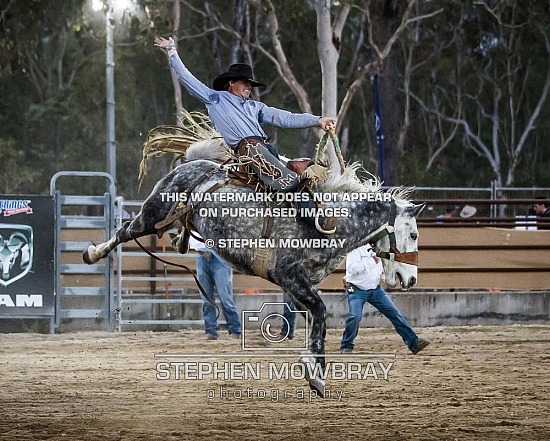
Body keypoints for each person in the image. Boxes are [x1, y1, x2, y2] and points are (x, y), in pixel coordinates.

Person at [153, 36, 336, 195]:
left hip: (266, 150)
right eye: (245, 83)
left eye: (250, 84)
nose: (249, 87)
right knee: (289, 183)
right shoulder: (215, 99)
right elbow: (187, 79)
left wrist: (317, 120)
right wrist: (172, 52)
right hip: (250, 151)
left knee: (307, 169)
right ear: (231, 82)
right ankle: (317, 221)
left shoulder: (256, 107)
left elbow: (286, 117)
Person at [340, 244, 430, 354]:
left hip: (375, 288)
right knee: (355, 316)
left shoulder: (378, 247)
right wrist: (372, 260)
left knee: (394, 313)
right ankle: (346, 346)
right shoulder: (354, 249)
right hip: (357, 289)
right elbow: (352, 268)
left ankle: (414, 342)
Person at [189, 235, 241, 340]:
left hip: (219, 254)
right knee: (207, 297)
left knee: (224, 296)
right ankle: (211, 330)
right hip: (203, 254)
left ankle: (234, 329)